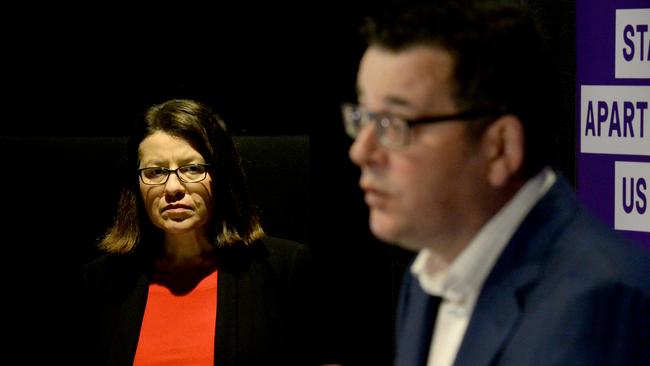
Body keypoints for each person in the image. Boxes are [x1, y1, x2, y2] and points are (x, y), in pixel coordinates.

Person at [341, 1, 650, 365]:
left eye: (394, 123)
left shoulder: (601, 307)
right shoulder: (428, 272)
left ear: (500, 147)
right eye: (363, 117)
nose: (361, 152)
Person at [78, 98, 324, 365]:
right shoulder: (100, 282)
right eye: (155, 172)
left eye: (192, 168)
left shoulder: (285, 269)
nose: (172, 187)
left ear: (222, 176)